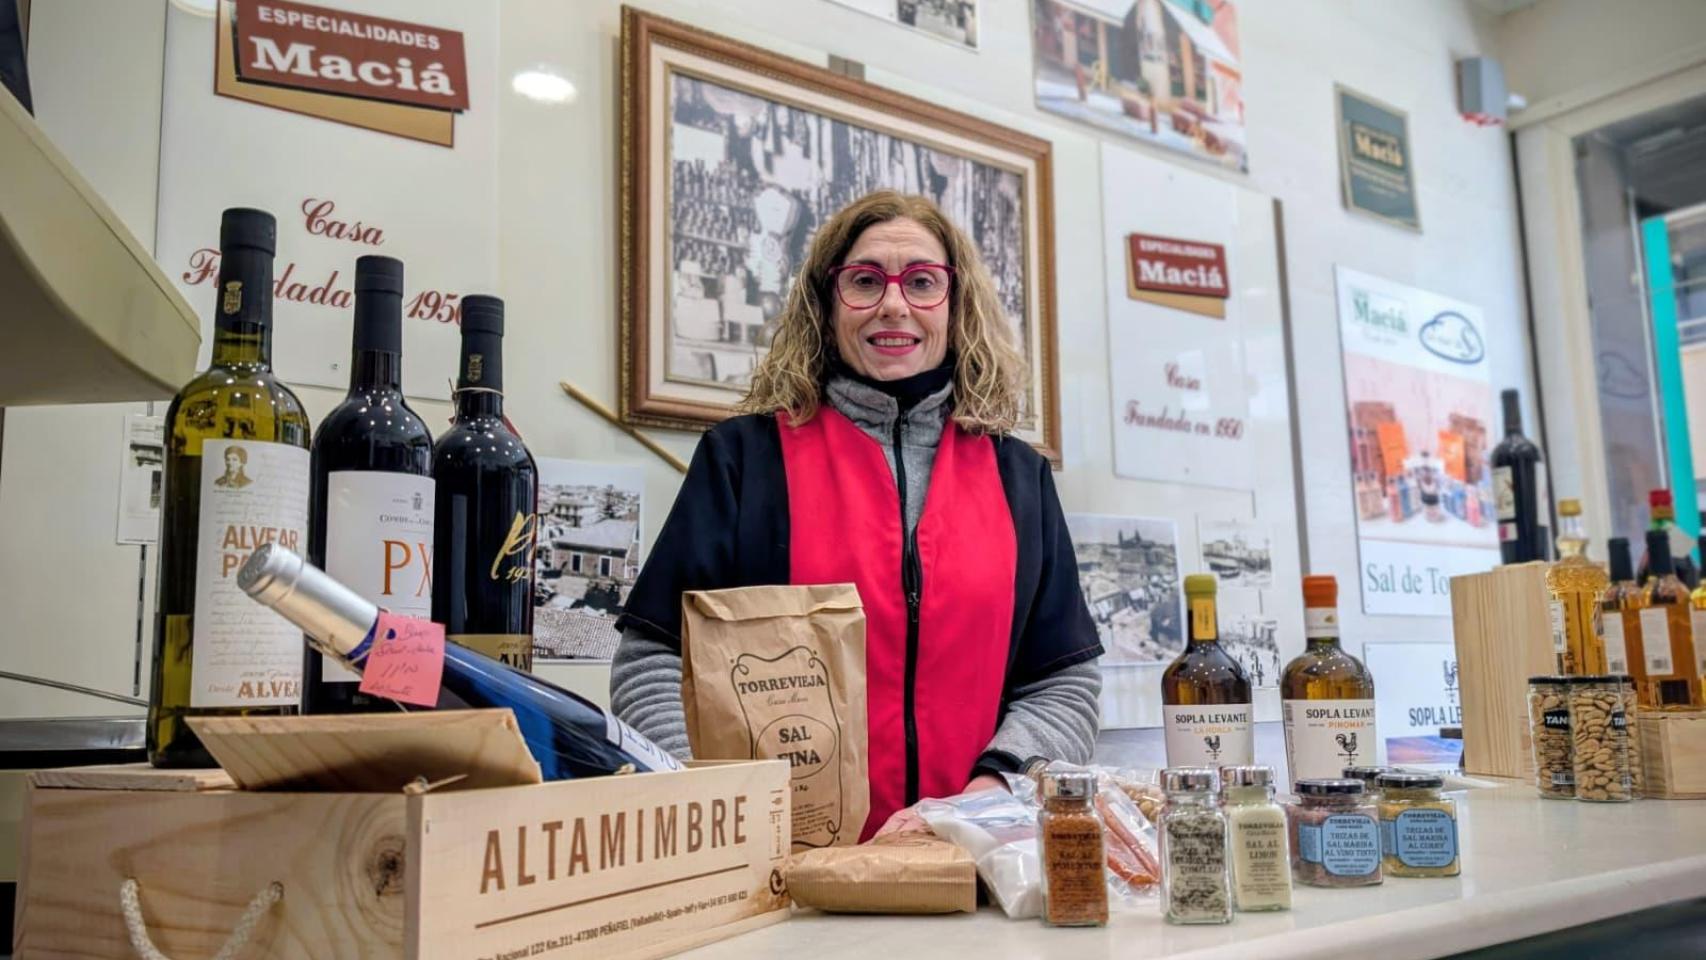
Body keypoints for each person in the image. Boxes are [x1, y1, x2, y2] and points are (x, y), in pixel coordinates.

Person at [612, 190, 1102, 840]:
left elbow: (1063, 680)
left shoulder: (1020, 478)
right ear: (826, 305)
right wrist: (720, 807)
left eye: (922, 281)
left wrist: (987, 799)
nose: (893, 304)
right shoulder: (745, 460)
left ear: (957, 307)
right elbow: (652, 658)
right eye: (865, 281)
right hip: (780, 877)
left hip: (972, 866)